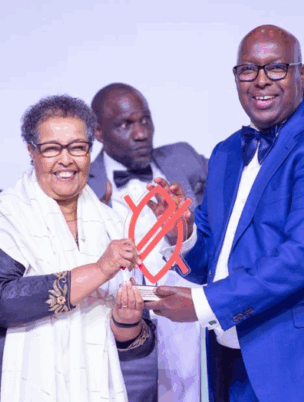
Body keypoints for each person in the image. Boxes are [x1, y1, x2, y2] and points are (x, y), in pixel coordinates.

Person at [145, 25, 304, 401]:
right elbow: (211, 260)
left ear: (300, 74)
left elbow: (303, 254)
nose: (261, 81)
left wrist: (202, 304)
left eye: (276, 68)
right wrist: (183, 230)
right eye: (248, 69)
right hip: (236, 363)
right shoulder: (227, 152)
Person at [0, 95, 156, 402]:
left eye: (77, 147)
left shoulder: (111, 223)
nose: (66, 160)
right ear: (32, 151)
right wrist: (98, 270)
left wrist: (126, 321)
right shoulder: (0, 216)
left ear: (90, 150)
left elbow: (134, 341)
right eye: (52, 148)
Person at [89, 83, 208, 402]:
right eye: (125, 124)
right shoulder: (82, 182)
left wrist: (183, 228)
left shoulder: (184, 158)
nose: (141, 133)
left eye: (145, 120)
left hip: (189, 324)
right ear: (98, 132)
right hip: (124, 328)